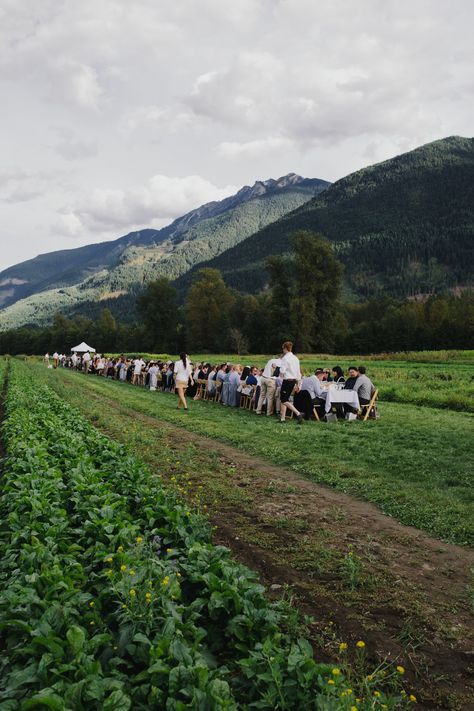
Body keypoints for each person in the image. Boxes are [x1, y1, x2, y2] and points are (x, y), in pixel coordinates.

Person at [278, 341, 303, 424]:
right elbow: (298, 372)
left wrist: (279, 375)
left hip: (287, 381)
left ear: (285, 348)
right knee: (284, 399)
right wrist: (299, 384)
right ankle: (282, 418)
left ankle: (298, 413)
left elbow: (282, 371)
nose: (282, 351)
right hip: (294, 381)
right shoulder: (296, 358)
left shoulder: (285, 358)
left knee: (284, 399)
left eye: (283, 349)